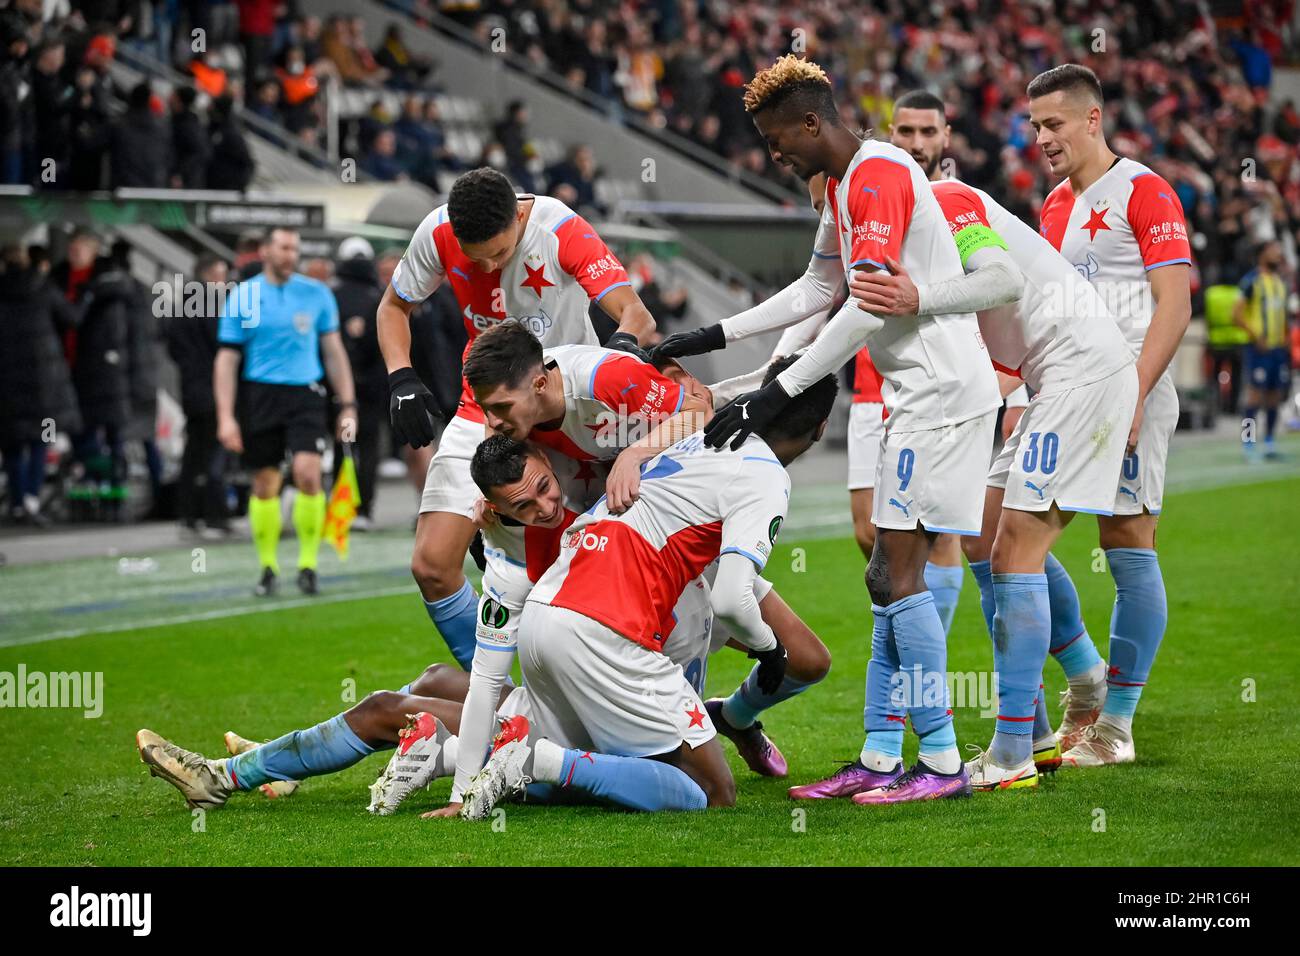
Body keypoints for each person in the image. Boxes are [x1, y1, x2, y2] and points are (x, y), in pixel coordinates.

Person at [133, 431, 822, 815]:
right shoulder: (528, 560)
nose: (547, 509)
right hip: (607, 699)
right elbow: (493, 672)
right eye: (525, 506)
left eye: (547, 490)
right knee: (427, 694)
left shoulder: (635, 521)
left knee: (440, 684)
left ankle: (436, 753)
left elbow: (804, 655)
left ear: (555, 469)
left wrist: (741, 711)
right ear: (497, 513)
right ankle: (238, 772)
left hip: (617, 698)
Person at [704, 55, 1002, 804]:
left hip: (942, 395)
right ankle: (877, 754)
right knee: (885, 575)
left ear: (813, 121)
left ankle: (937, 763)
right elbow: (817, 289)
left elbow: (866, 305)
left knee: (902, 574)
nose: (776, 158)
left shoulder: (878, 174)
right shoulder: (844, 183)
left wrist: (778, 394)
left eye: (779, 143)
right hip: (920, 393)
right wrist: (713, 336)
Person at [848, 100, 1140, 790]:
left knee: (1014, 551)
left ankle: (1013, 753)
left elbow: (1002, 283)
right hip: (1047, 381)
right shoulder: (923, 235)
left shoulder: (946, 199)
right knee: (984, 534)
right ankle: (1061, 701)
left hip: (1077, 374)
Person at [461, 356, 840, 819]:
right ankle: (537, 760)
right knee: (709, 791)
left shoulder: (695, 431)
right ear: (821, 429)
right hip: (612, 616)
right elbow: (732, 600)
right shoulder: (762, 472)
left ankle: (459, 756)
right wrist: (768, 649)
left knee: (612, 755)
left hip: (550, 607)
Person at [375, 167, 655, 670]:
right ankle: (503, 704)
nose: (485, 267)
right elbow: (394, 306)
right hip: (484, 402)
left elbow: (636, 315)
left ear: (520, 217)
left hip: (568, 413)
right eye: (473, 257)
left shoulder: (561, 230)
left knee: (581, 574)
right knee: (433, 565)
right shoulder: (437, 232)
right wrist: (401, 378)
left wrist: (615, 359)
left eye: (499, 254)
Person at [1030, 64, 1193, 766]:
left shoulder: (1147, 191)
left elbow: (1176, 303)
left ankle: (1115, 727)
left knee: (1126, 538)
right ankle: (1085, 677)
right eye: (1034, 125)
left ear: (1092, 119)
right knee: (1010, 532)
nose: (1042, 137)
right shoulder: (1052, 207)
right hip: (1067, 393)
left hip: (1132, 390)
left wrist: (1133, 392)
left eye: (1054, 123)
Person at [214, 226, 357, 597]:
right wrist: (226, 416)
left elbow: (334, 352)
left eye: (295, 248)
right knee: (265, 483)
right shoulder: (243, 296)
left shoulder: (316, 294)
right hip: (260, 394)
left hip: (306, 393)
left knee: (308, 473)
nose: (290, 255)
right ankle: (268, 566)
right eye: (283, 247)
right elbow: (227, 360)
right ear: (265, 251)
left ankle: (308, 564)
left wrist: (347, 404)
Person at [0, 245, 81, 526]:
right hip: (44, 386)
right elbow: (72, 318)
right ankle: (33, 498)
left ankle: (17, 501)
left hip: (7, 385)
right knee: (41, 441)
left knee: (11, 445)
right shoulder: (43, 287)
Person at [167, 253, 230, 536]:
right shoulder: (214, 305)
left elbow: (173, 348)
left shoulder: (182, 305)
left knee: (194, 454)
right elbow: (224, 347)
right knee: (214, 456)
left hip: (191, 389)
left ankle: (188, 516)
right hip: (213, 390)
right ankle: (214, 516)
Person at [332, 237, 385, 528]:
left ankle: (342, 507)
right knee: (369, 446)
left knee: (343, 445)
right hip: (374, 385)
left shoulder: (332, 295)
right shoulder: (378, 295)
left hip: (340, 385)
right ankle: (364, 508)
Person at [1235, 240, 1291, 459]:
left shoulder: (1280, 282)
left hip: (1278, 349)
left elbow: (1283, 314)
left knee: (1275, 396)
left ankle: (1269, 442)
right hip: (1259, 349)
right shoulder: (1251, 281)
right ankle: (1248, 443)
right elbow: (1236, 313)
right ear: (1262, 254)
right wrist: (1255, 335)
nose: (1277, 254)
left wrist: (1286, 336)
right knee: (1254, 396)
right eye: (1273, 251)